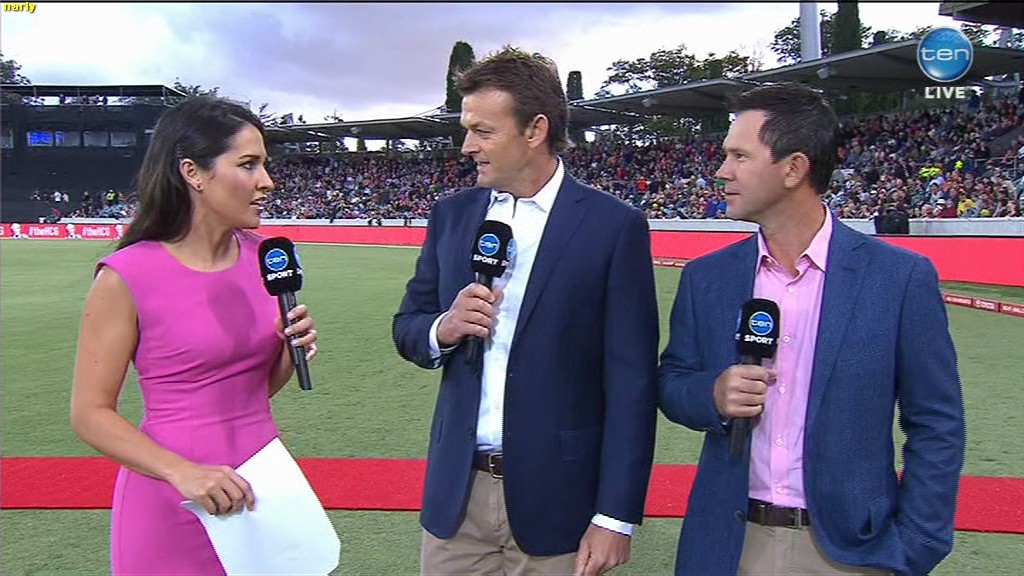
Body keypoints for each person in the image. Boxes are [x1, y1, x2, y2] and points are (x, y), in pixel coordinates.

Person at [657, 83, 965, 576]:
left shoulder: (898, 278)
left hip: (849, 553)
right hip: (729, 546)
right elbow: (672, 382)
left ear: (794, 168)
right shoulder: (707, 278)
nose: (721, 171)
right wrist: (710, 394)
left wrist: (917, 544)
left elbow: (936, 421)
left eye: (740, 156)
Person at [392, 46, 659, 576]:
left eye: (483, 131)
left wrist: (616, 516)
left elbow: (632, 382)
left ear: (535, 129)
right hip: (456, 500)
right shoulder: (451, 215)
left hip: (559, 501)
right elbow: (408, 325)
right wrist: (444, 327)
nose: (467, 146)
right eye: (466, 130)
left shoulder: (613, 226)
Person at [70, 96, 320, 575]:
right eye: (248, 165)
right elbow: (89, 414)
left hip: (261, 488)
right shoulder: (125, 276)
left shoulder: (266, 259)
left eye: (264, 164)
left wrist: (289, 353)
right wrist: (181, 472)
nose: (267, 181)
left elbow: (249, 391)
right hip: (171, 499)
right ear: (193, 173)